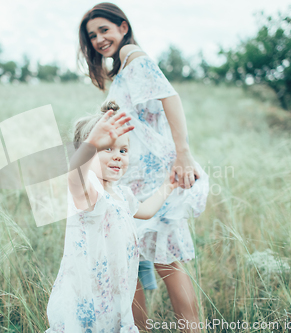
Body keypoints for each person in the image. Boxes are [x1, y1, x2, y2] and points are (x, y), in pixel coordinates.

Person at [78, 3, 210, 332]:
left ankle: (192, 329)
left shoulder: (135, 57)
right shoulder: (123, 68)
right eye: (92, 35)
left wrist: (183, 154)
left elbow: (171, 98)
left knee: (166, 261)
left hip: (153, 179)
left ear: (123, 27)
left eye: (104, 30)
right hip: (134, 180)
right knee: (131, 263)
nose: (98, 39)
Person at [45, 101, 179, 332]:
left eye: (123, 150)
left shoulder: (121, 193)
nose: (118, 156)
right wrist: (91, 143)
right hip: (86, 296)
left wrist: (170, 184)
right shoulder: (88, 193)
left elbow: (145, 212)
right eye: (107, 148)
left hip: (113, 292)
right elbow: (74, 175)